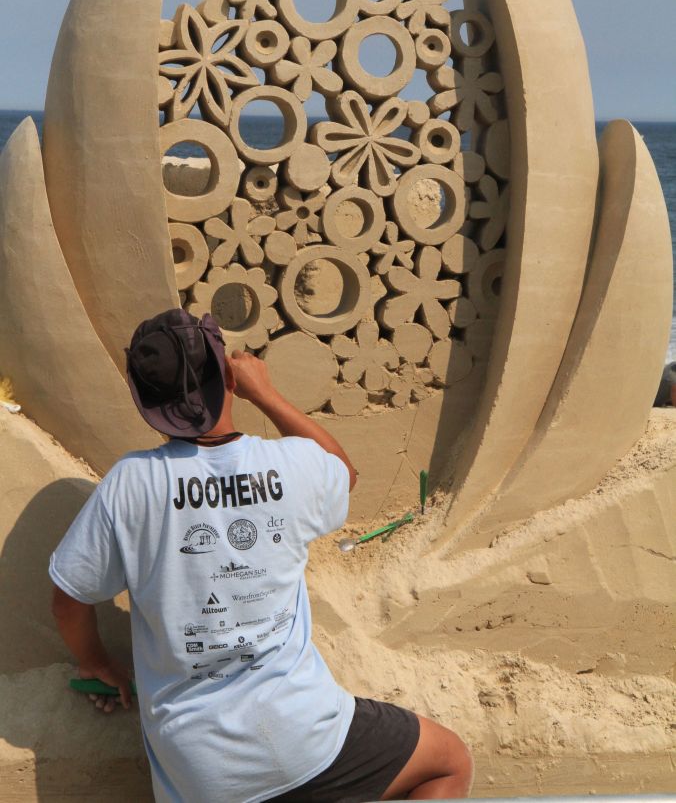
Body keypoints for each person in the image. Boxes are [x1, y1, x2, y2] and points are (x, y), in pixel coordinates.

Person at [50, 308, 474, 802]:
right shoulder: (290, 464)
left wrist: (97, 662)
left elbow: (69, 600)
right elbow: (342, 472)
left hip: (199, 769)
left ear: (143, 399)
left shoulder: (130, 484)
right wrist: (266, 393)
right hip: (305, 737)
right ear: (228, 376)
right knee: (447, 764)